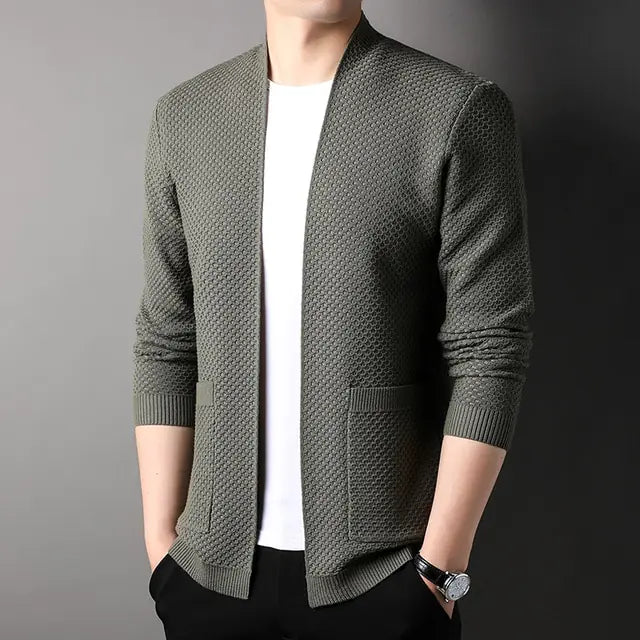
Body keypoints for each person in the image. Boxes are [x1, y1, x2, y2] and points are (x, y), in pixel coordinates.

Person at [132, 2, 535, 639]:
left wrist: (439, 570)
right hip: (208, 576)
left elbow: (490, 346)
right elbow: (167, 340)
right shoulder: (186, 117)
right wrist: (162, 546)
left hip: (385, 578)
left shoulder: (453, 110)